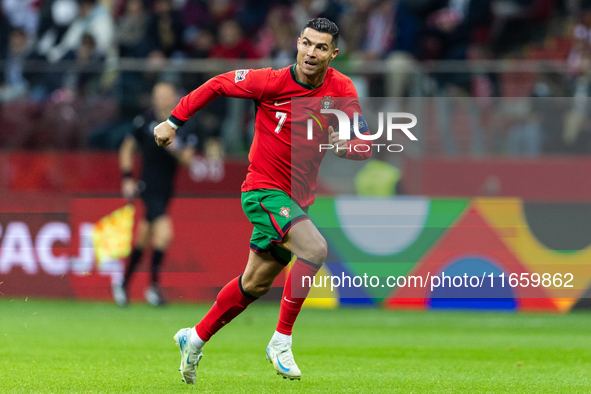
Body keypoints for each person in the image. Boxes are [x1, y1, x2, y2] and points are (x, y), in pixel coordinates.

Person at [154, 18, 372, 384]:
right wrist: (174, 122)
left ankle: (194, 337)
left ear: (333, 54)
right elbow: (219, 84)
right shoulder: (271, 81)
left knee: (254, 283)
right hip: (263, 191)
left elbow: (365, 146)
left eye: (321, 48)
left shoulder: (342, 89)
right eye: (306, 43)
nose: (311, 52)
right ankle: (281, 341)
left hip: (297, 200)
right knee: (315, 250)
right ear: (297, 44)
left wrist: (346, 147)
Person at [112, 82, 195, 307]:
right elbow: (127, 149)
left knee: (144, 238)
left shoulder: (183, 125)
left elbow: (188, 160)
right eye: (156, 95)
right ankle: (153, 289)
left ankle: (123, 284)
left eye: (164, 95)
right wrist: (127, 177)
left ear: (173, 98)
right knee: (165, 234)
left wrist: (174, 147)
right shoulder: (144, 122)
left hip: (166, 189)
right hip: (146, 187)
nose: (160, 99)